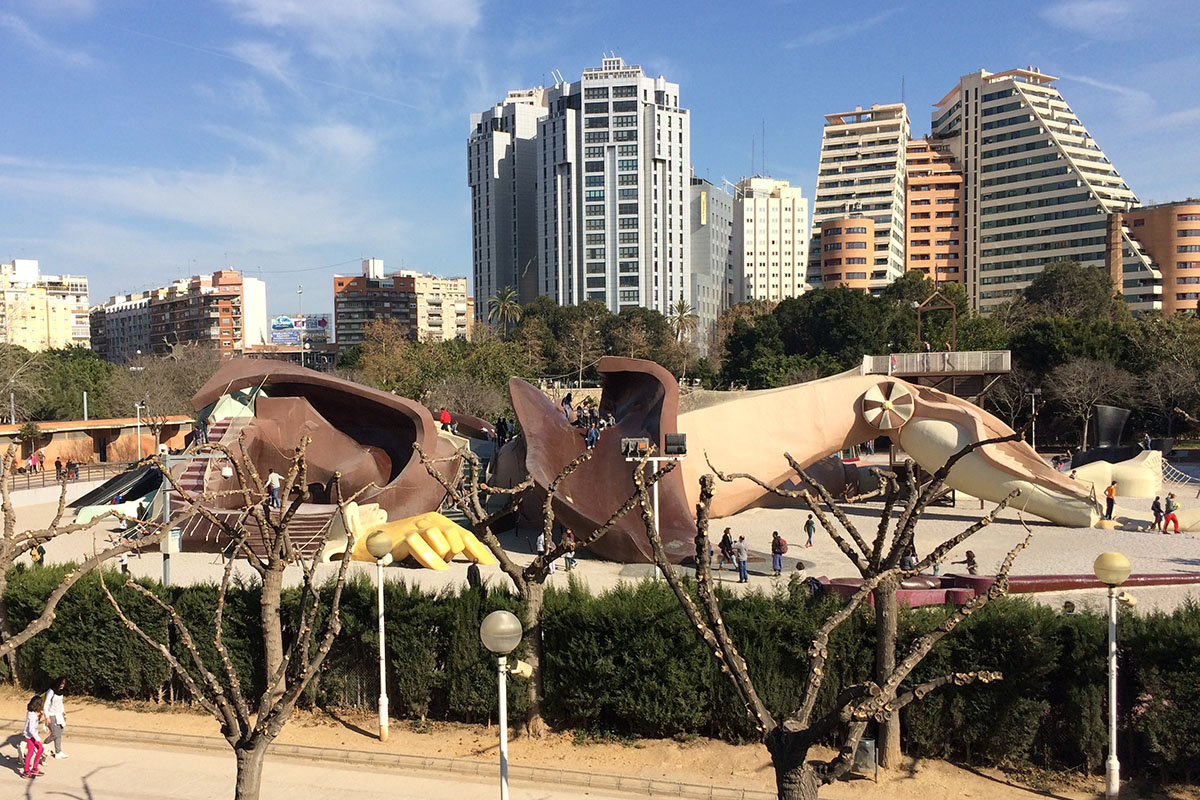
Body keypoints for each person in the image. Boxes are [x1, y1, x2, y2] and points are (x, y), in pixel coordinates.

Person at [43, 676, 68, 758]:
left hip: (59, 714)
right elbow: (46, 704)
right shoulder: (51, 691)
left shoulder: (61, 692)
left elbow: (60, 703)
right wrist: (47, 717)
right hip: (51, 714)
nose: (62, 685)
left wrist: (63, 711)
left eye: (64, 684)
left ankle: (58, 752)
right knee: (55, 733)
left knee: (59, 732)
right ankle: (44, 744)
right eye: (61, 683)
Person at [22, 695, 45, 778]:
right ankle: (26, 771)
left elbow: (33, 724)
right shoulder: (32, 715)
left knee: (40, 749)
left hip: (31, 735)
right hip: (30, 736)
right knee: (31, 752)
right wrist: (38, 739)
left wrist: (39, 717)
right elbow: (31, 729)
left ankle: (34, 768)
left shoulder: (32, 713)